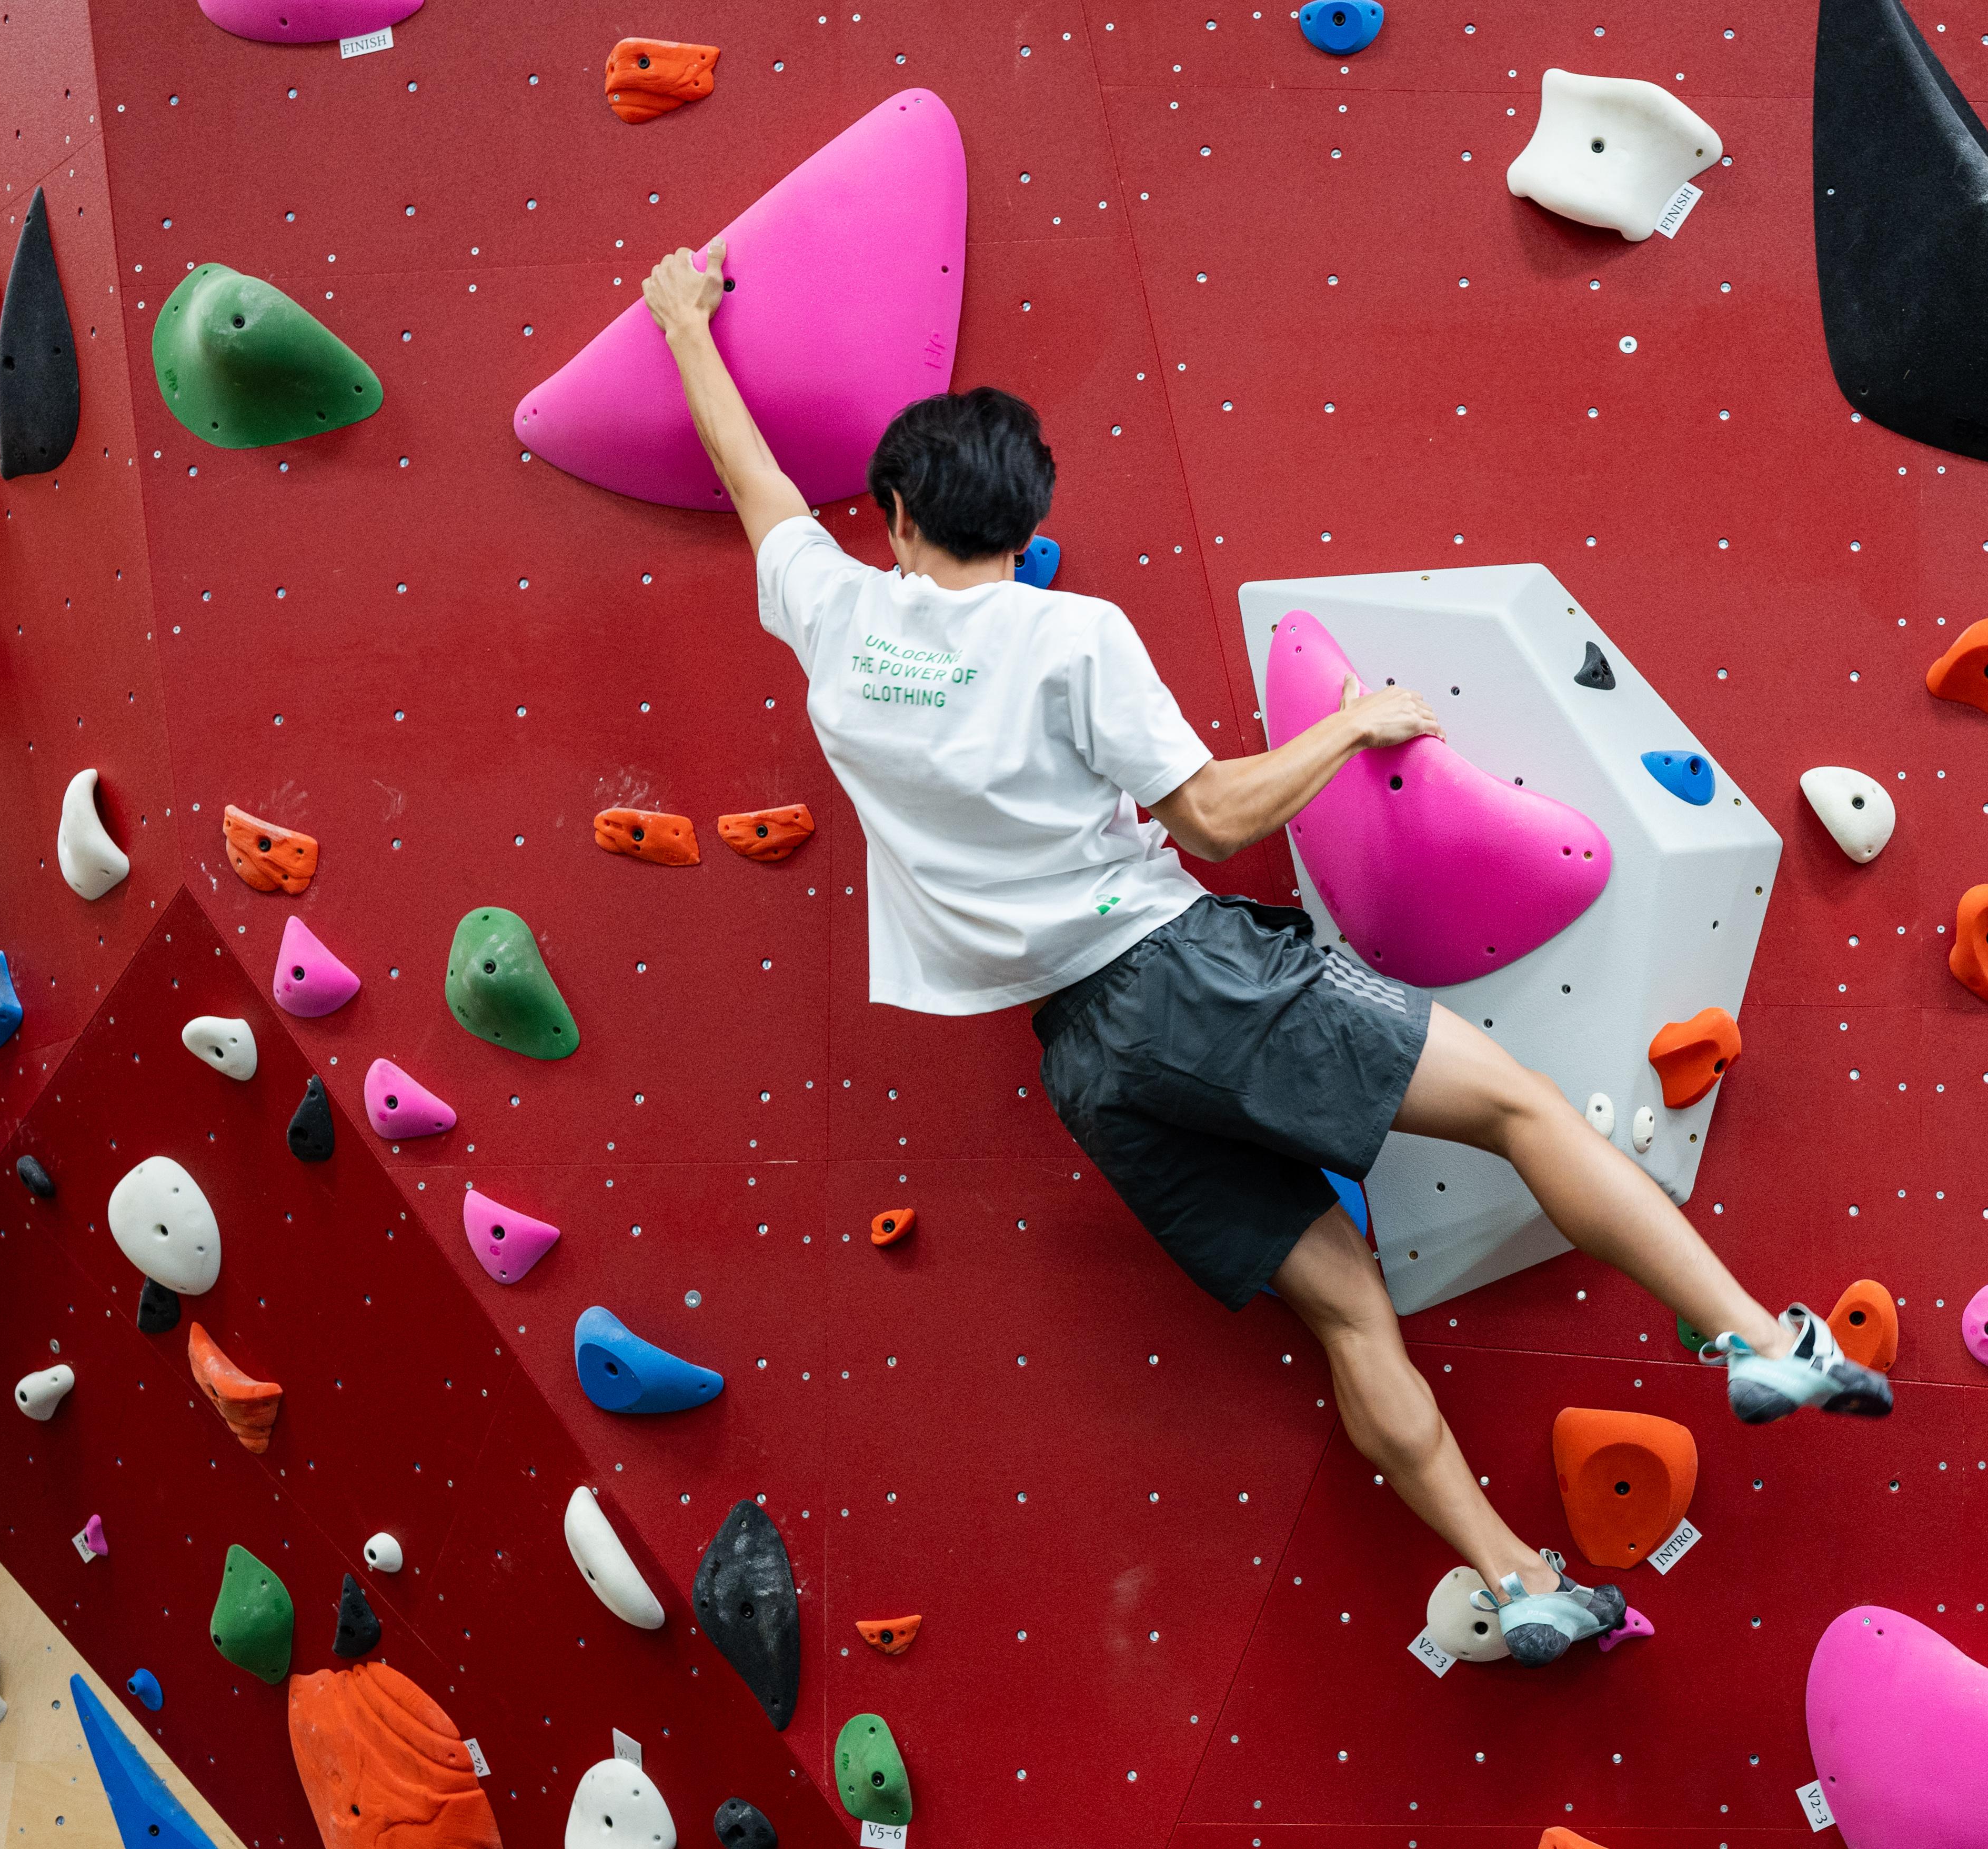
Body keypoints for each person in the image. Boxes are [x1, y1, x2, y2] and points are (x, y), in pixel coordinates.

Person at [643, 238, 1889, 1667]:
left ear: (897, 511)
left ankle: (1516, 1576)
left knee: (1348, 1306)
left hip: (1087, 1062)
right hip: (1185, 976)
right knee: (1521, 1106)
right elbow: (1217, 808)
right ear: (1028, 512)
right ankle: (1753, 1339)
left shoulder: (838, 614)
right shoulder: (1069, 635)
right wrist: (1353, 726)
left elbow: (756, 487)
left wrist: (686, 323)